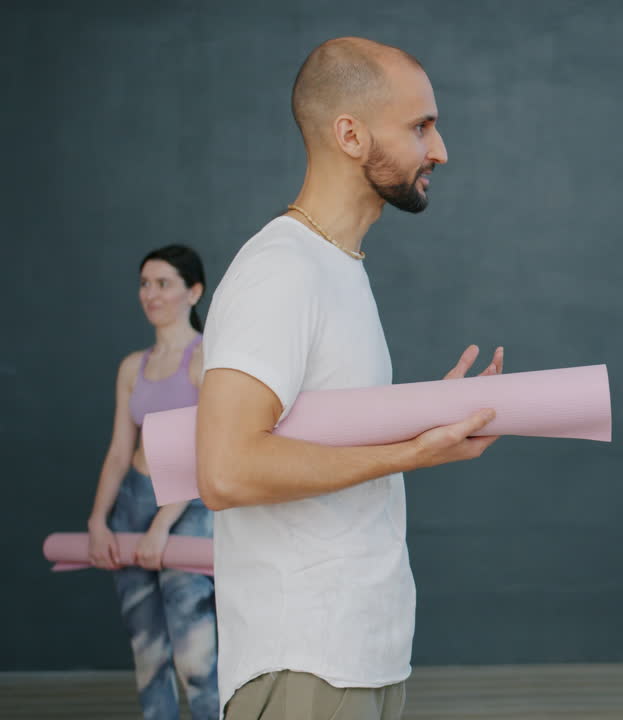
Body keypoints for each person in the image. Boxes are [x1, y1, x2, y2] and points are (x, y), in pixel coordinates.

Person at [195, 37, 504, 720]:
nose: (440, 149)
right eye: (421, 126)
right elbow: (227, 468)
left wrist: (418, 418)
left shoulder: (337, 267)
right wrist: (412, 453)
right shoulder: (281, 270)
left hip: (361, 654)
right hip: (304, 662)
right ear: (350, 134)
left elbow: (314, 432)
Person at [87, 244, 219, 720]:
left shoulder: (205, 360)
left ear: (194, 291)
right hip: (134, 500)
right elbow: (120, 451)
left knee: (195, 658)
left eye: (163, 283)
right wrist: (98, 520)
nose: (150, 293)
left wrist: (164, 524)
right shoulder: (132, 366)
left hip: (187, 506)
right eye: (145, 283)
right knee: (148, 655)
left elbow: (208, 450)